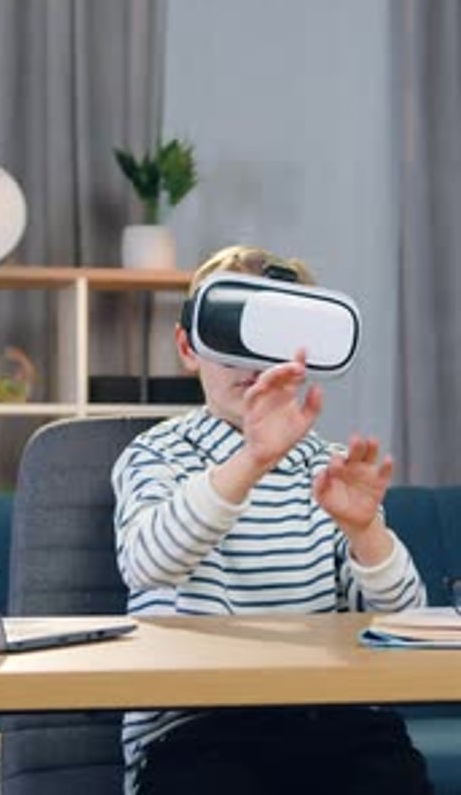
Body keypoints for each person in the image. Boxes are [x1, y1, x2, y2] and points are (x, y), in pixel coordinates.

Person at [112, 244, 433, 795]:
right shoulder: (158, 453)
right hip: (198, 732)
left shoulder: (328, 471)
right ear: (189, 347)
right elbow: (148, 564)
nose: (251, 361)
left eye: (273, 337)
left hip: (334, 721)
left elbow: (407, 626)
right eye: (230, 330)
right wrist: (252, 459)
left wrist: (365, 532)